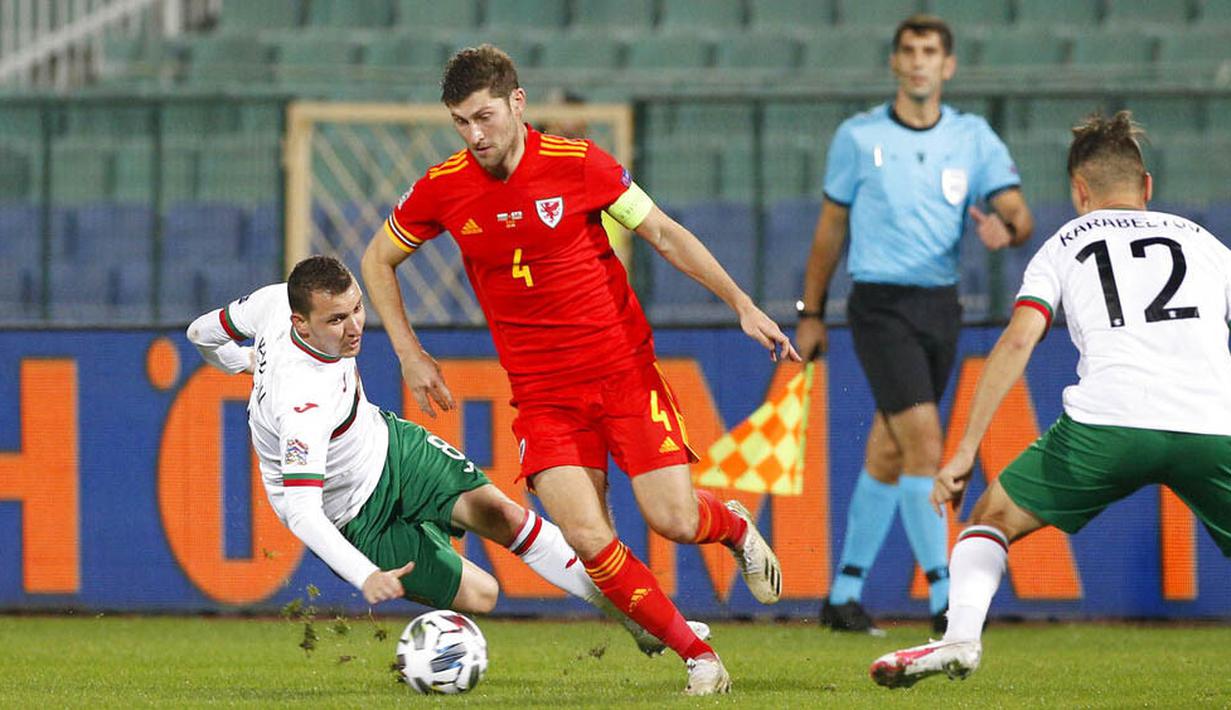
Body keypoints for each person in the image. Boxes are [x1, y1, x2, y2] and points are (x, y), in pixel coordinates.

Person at [362, 45, 800, 696]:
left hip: (622, 374)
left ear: (517, 103)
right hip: (542, 397)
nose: (473, 134)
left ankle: (730, 525)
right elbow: (376, 260)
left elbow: (665, 234)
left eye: (483, 116)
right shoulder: (443, 186)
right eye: (460, 121)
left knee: (673, 522)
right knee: (588, 537)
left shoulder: (579, 165)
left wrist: (740, 304)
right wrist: (408, 351)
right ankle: (698, 659)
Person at [185, 255, 710, 657]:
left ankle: (640, 617)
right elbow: (301, 510)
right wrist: (363, 575)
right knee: (483, 595)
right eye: (336, 320)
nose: (354, 328)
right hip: (352, 517)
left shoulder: (273, 301)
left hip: (388, 447)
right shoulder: (301, 400)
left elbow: (200, 333)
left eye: (357, 309)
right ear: (301, 325)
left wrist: (238, 362)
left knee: (506, 515)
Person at [870, 111, 1231, 688]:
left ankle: (961, 637)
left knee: (990, 518)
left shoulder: (1066, 241)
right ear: (1148, 188)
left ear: (1079, 192)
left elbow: (1018, 340)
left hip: (1108, 424)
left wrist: (965, 448)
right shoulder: (1209, 246)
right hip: (1215, 424)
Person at [795, 14, 1034, 634]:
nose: (920, 61)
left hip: (940, 306)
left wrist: (1003, 230)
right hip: (879, 305)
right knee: (927, 444)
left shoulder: (974, 138)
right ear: (895, 63)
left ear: (948, 65)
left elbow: (1018, 214)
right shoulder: (858, 136)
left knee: (889, 449)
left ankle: (842, 597)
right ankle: (943, 602)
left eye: (931, 52)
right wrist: (812, 313)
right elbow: (829, 233)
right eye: (909, 51)